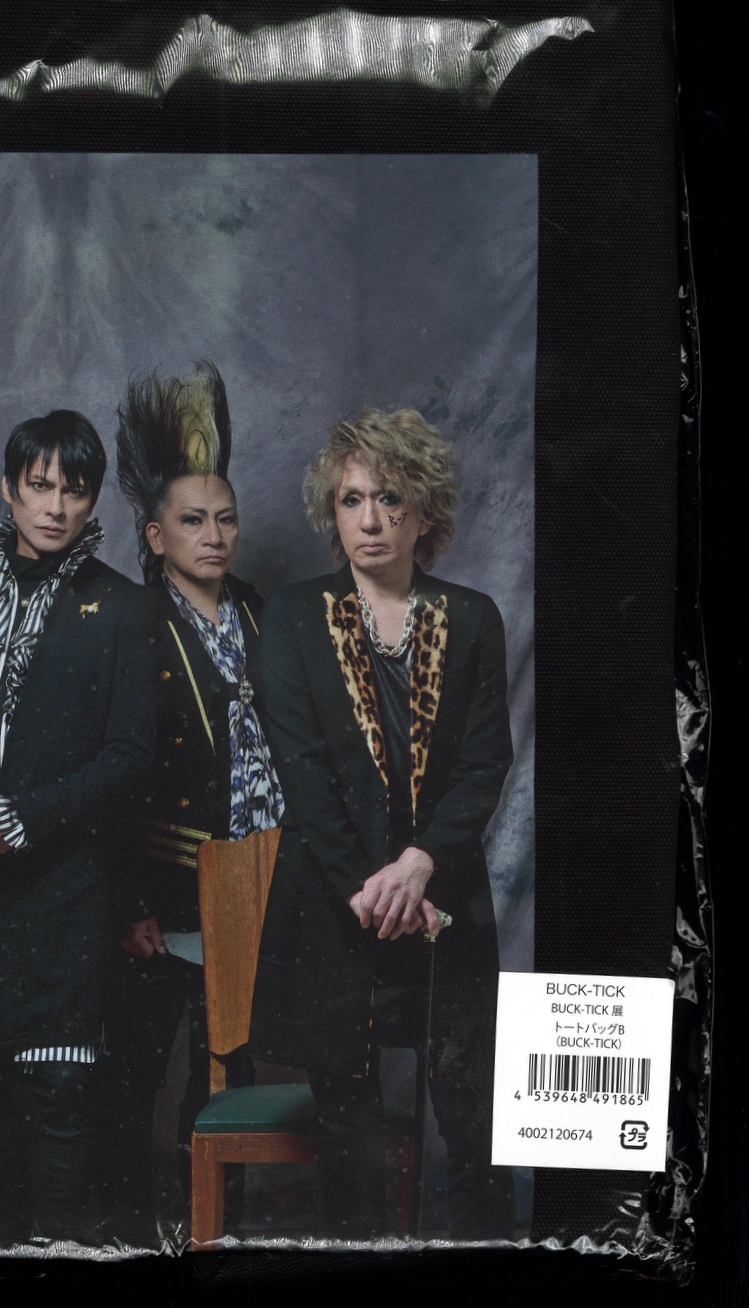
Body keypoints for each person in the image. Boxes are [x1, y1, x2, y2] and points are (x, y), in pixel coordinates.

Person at [248, 409, 514, 1241]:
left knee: (476, 1130)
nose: (369, 519)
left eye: (390, 498)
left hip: (443, 903)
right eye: (351, 499)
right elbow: (302, 773)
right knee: (349, 1142)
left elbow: (485, 765)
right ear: (332, 512)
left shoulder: (473, 617)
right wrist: (371, 886)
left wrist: (419, 865)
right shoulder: (293, 617)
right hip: (337, 908)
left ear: (424, 511)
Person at [0, 409, 155, 1244]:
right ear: (7, 489)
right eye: (38, 486)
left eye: (73, 491)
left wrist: (20, 819)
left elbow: (130, 755)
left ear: (93, 501)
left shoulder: (122, 607)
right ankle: (13, 1257)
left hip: (60, 883)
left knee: (57, 1091)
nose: (54, 507)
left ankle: (54, 1257)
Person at [107, 361, 283, 1237]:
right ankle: (132, 1237)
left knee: (234, 1064)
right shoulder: (133, 626)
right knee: (141, 1067)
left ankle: (217, 1232)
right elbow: (109, 779)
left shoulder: (258, 612)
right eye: (191, 521)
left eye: (225, 519)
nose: (213, 536)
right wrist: (130, 904)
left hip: (257, 875)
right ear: (154, 535)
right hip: (168, 883)